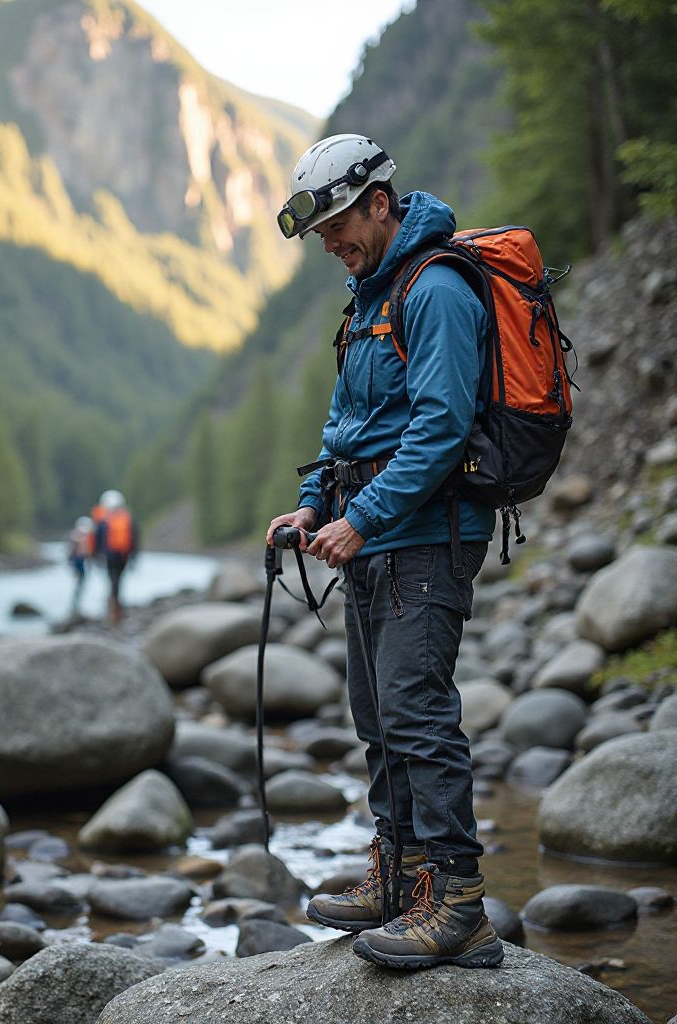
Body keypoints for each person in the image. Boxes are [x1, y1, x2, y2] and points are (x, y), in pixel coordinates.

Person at [267, 134, 503, 969]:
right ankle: (401, 877)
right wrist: (310, 507)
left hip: (426, 538)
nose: (329, 242)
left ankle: (459, 901)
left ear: (379, 201)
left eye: (337, 224)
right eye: (321, 233)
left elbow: (441, 426)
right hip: (374, 538)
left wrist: (360, 517)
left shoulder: (433, 287)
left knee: (417, 712)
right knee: (377, 718)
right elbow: (347, 429)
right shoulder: (368, 296)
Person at [93, 489, 138, 622]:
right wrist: (134, 556)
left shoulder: (104, 521)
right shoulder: (127, 519)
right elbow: (134, 539)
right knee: (118, 580)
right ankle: (116, 606)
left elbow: (98, 539)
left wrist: (96, 555)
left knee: (112, 579)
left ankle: (113, 606)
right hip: (123, 556)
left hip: (110, 556)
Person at [66, 515, 95, 616]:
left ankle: (76, 607)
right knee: (79, 585)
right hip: (79, 565)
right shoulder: (80, 538)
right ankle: (75, 607)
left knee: (79, 585)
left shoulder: (75, 536)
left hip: (79, 565)